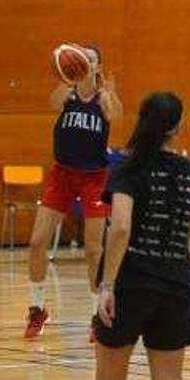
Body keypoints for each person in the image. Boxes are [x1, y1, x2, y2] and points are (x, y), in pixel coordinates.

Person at [92, 92, 190, 380]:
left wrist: (106, 285)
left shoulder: (128, 169)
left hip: (131, 285)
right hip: (176, 285)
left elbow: (121, 227)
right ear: (178, 126)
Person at [24, 44, 123, 340]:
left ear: (97, 65)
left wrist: (110, 92)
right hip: (63, 174)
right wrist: (65, 77)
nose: (85, 63)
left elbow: (116, 116)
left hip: (95, 177)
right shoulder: (66, 94)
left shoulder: (103, 99)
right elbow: (53, 103)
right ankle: (37, 308)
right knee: (36, 241)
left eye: (91, 60)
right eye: (82, 59)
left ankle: (97, 315)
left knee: (94, 249)